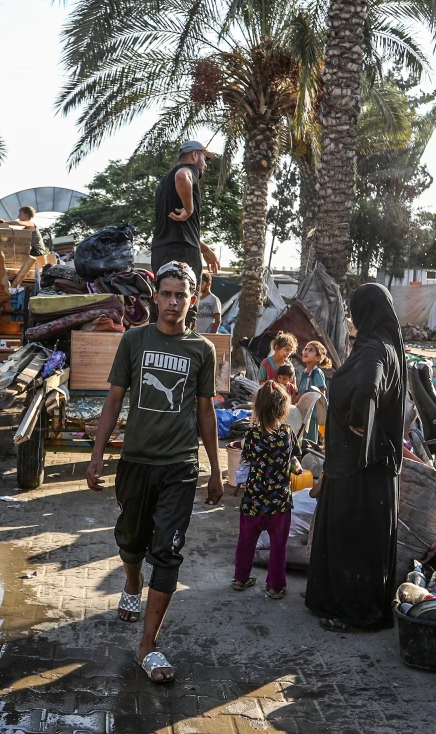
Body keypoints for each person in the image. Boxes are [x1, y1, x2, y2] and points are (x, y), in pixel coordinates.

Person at [85, 261, 222, 684]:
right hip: (136, 461)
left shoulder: (202, 350)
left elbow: (205, 412)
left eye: (181, 294)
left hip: (179, 466)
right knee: (130, 540)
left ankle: (148, 646)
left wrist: (215, 470)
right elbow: (113, 402)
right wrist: (97, 453)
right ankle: (130, 583)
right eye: (166, 293)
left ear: (192, 299)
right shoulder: (133, 341)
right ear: (154, 297)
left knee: (168, 551)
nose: (173, 301)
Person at [306, 283, 405, 632]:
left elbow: (368, 386)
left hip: (360, 466)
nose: (350, 318)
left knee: (352, 537)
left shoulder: (373, 349)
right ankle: (358, 605)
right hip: (373, 465)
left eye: (353, 310)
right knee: (365, 539)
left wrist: (356, 419)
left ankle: (355, 611)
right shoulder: (389, 345)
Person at [232, 381, 301, 600]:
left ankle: (240, 579)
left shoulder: (252, 436)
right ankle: (275, 587)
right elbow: (294, 461)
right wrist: (295, 467)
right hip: (279, 502)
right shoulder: (288, 434)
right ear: (283, 410)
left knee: (246, 541)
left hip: (253, 500)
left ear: (258, 408)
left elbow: (247, 458)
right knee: (278, 546)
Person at [152, 140, 222, 286]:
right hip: (185, 253)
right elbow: (183, 176)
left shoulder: (163, 183)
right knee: (186, 303)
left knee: (163, 302)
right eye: (205, 158)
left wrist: (206, 250)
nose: (206, 164)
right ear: (195, 155)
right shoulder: (190, 169)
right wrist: (189, 209)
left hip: (160, 252)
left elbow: (181, 230)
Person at [297, 341, 332, 443]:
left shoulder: (317, 373)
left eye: (311, 350)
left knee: (309, 443)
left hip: (312, 415)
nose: (306, 352)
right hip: (303, 412)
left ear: (318, 358)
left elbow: (321, 394)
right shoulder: (304, 373)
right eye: (306, 349)